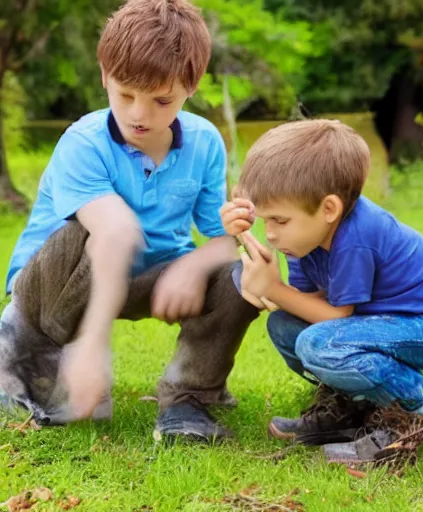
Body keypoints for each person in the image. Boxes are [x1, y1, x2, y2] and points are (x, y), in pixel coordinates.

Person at [0, 0, 260, 443]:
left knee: (242, 275)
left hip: (148, 277)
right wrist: (94, 349)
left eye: (162, 100)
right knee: (91, 228)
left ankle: (188, 399)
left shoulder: (205, 143)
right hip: (58, 288)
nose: (140, 114)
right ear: (105, 77)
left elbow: (221, 240)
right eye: (125, 94)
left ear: (191, 86)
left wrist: (196, 265)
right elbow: (114, 234)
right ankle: (24, 347)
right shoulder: (83, 143)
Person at [220, 119, 423, 464]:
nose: (270, 233)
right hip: (390, 321)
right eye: (264, 220)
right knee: (285, 326)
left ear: (329, 209)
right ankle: (355, 411)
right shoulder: (306, 238)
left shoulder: (355, 239)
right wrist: (243, 240)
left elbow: (336, 316)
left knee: (320, 343)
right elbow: (311, 304)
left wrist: (274, 288)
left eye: (279, 221)